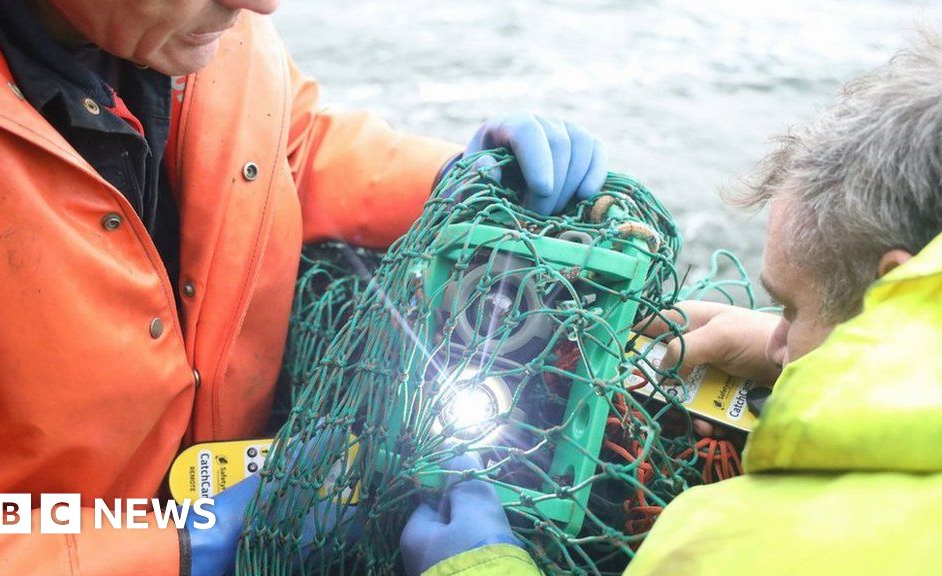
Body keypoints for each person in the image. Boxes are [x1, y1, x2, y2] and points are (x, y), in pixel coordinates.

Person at [0, 0, 609, 574]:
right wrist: (174, 549)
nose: (263, 3)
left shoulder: (208, 33)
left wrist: (444, 180)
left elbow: (283, 144)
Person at [401, 33, 942, 576]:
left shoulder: (733, 547)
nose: (776, 339)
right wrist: (814, 354)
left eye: (791, 309)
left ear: (887, 294)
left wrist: (476, 567)